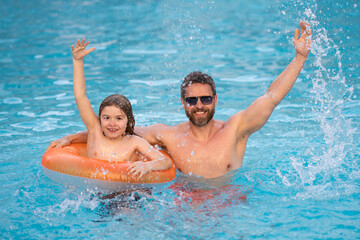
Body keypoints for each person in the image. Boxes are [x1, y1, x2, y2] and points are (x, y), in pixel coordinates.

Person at [48, 21, 311, 179]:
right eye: (192, 99)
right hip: (182, 205)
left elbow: (272, 96)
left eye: (205, 99)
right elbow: (117, 131)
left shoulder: (236, 128)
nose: (199, 105)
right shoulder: (167, 135)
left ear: (215, 100)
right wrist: (71, 139)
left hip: (228, 205)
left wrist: (299, 58)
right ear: (183, 103)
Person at [69, 39, 172, 179]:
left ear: (128, 120)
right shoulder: (95, 131)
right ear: (99, 119)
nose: (112, 124)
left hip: (126, 193)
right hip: (96, 192)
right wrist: (77, 61)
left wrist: (147, 166)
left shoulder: (134, 142)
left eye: (119, 118)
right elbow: (80, 96)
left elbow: (165, 161)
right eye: (106, 118)